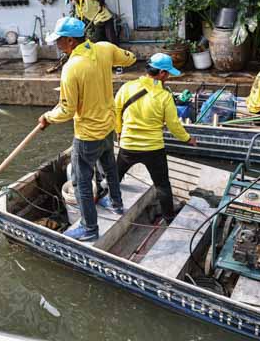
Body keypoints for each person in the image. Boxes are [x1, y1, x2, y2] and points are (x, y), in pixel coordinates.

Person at [38, 17, 136, 241]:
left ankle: (89, 227)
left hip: (88, 134)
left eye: (59, 41)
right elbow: (130, 59)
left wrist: (46, 117)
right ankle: (115, 203)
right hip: (107, 126)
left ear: (71, 41)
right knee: (109, 166)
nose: (57, 45)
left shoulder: (71, 68)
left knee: (81, 182)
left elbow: (66, 111)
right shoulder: (104, 49)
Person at [115, 53, 197, 223]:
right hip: (153, 149)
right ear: (161, 74)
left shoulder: (127, 87)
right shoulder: (164, 96)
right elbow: (174, 125)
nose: (168, 77)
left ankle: (113, 204)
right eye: (167, 74)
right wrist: (188, 139)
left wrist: (119, 131)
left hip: (128, 145)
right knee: (162, 185)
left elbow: (115, 111)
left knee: (115, 176)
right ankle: (168, 218)